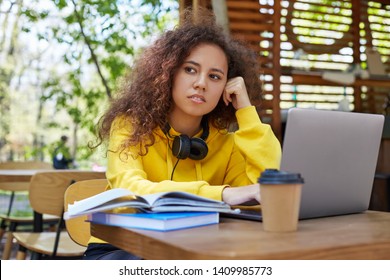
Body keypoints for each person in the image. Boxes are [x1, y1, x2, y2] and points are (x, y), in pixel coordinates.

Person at [84, 9, 282, 260]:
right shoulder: (129, 125)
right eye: (190, 70)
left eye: (214, 76)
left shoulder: (228, 142)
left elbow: (264, 193)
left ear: (225, 87)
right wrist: (223, 194)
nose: (201, 83)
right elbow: (129, 190)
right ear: (168, 73)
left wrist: (246, 111)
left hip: (195, 247)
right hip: (122, 247)